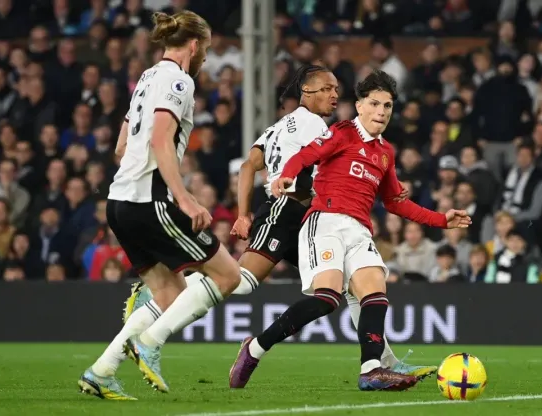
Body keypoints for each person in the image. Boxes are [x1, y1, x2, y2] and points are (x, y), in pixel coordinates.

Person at [123, 65, 440, 379]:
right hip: (287, 212)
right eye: (328, 90)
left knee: (351, 289)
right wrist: (290, 189)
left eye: (336, 91)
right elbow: (303, 170)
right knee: (243, 279)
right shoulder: (315, 126)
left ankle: (381, 363)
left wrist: (244, 214)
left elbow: (250, 166)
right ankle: (162, 291)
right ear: (308, 93)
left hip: (300, 215)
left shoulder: (282, 126)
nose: (334, 96)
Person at [229, 70, 471, 391]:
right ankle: (256, 347)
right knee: (327, 299)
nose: (381, 113)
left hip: (359, 230)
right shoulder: (341, 132)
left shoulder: (386, 153)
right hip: (325, 221)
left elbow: (396, 203)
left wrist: (443, 220)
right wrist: (286, 176)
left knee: (375, 291)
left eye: (387, 106)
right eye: (374, 104)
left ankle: (371, 368)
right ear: (359, 106)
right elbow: (305, 155)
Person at [78, 11, 241, 400]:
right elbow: (161, 140)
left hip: (119, 201)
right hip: (148, 200)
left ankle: (101, 371)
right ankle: (149, 344)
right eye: (206, 49)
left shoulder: (147, 78)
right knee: (228, 276)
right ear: (195, 45)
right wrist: (183, 198)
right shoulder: (178, 80)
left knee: (169, 297)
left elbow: (122, 147)